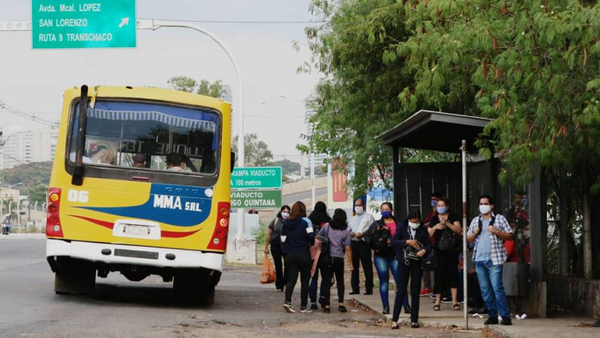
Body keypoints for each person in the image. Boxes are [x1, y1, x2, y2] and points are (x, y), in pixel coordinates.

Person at [467, 194, 514, 326]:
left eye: (485, 203)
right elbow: (468, 239)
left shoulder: (499, 219)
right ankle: (492, 315)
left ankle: (505, 316)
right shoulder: (476, 221)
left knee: (497, 288)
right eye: (481, 204)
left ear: (491, 206)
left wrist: (496, 231)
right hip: (480, 259)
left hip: (494, 259)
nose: (482, 206)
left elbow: (510, 236)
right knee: (485, 290)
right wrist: (475, 232)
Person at [364, 202, 410, 315]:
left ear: (391, 210)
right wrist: (375, 247)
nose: (385, 211)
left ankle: (406, 306)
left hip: (395, 255)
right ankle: (385, 306)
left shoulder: (398, 223)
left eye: (387, 209)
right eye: (383, 209)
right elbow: (367, 237)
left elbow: (404, 237)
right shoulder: (376, 224)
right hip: (381, 256)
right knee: (383, 282)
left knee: (400, 281)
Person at [391, 209, 431, 329]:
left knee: (415, 291)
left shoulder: (423, 229)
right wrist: (407, 242)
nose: (414, 223)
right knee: (401, 289)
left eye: (417, 221)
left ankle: (414, 319)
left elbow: (429, 244)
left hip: (417, 262)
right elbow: (394, 241)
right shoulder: (401, 227)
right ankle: (394, 319)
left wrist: (424, 250)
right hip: (404, 261)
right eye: (412, 221)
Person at [313, 209, 353, 313]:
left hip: (327, 258)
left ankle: (327, 305)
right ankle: (341, 304)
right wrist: (351, 264)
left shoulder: (327, 226)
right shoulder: (346, 231)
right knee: (340, 281)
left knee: (326, 281)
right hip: (338, 258)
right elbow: (348, 248)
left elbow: (318, 237)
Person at [428, 196, 463, 311]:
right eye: (439, 206)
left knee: (452, 274)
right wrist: (436, 227)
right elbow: (428, 235)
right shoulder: (434, 219)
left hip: (452, 251)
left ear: (447, 206)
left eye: (443, 205)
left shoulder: (453, 216)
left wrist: (447, 223)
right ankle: (438, 301)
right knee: (438, 275)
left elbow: (459, 230)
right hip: (439, 251)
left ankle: (454, 301)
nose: (441, 208)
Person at [281, 201, 315, 313]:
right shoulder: (307, 221)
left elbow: (282, 239)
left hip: (290, 255)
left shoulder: (285, 223)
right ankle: (303, 306)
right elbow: (311, 237)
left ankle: (287, 302)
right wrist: (309, 241)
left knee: (291, 280)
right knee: (305, 281)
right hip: (303, 254)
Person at [308, 201, 332, 310]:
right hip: (325, 253)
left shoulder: (310, 221)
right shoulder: (328, 222)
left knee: (313, 277)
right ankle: (323, 298)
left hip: (312, 253)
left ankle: (313, 302)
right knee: (326, 277)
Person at [349, 197, 375, 295]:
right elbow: (348, 230)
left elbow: (372, 230)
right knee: (354, 266)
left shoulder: (369, 217)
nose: (357, 207)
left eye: (359, 205)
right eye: (356, 205)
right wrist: (350, 233)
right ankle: (355, 288)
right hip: (354, 243)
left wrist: (363, 234)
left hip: (364, 243)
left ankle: (369, 288)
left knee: (367, 266)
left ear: (363, 205)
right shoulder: (352, 219)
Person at [264, 205, 291, 292]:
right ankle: (279, 285)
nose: (285, 214)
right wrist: (266, 247)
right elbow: (269, 234)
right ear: (281, 212)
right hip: (275, 245)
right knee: (278, 265)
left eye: (287, 212)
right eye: (284, 212)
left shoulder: (291, 221)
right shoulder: (275, 221)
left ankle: (286, 282)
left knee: (287, 264)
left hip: (287, 245)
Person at [421, 192, 441, 296]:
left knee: (435, 265)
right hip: (429, 241)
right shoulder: (431, 213)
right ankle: (427, 287)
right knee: (426, 265)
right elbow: (425, 224)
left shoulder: (440, 213)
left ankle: (435, 288)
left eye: (435, 199)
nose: (433, 201)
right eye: (432, 199)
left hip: (438, 243)